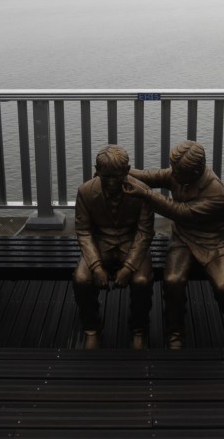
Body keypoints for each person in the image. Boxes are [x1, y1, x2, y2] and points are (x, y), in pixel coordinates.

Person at [125, 140, 224, 349]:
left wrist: (145, 194)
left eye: (178, 172)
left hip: (212, 242)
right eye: (173, 170)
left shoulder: (216, 193)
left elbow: (180, 212)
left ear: (196, 172)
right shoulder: (180, 174)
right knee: (173, 280)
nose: (173, 175)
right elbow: (152, 176)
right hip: (183, 237)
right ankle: (175, 333)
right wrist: (122, 170)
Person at [73, 144, 155, 350]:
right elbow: (83, 231)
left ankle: (139, 329)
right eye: (105, 177)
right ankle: (91, 328)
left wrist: (128, 267)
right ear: (96, 171)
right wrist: (96, 266)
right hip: (100, 242)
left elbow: (145, 232)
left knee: (142, 280)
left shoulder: (143, 191)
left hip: (132, 241)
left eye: (117, 177)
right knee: (82, 278)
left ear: (127, 171)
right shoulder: (85, 191)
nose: (111, 182)